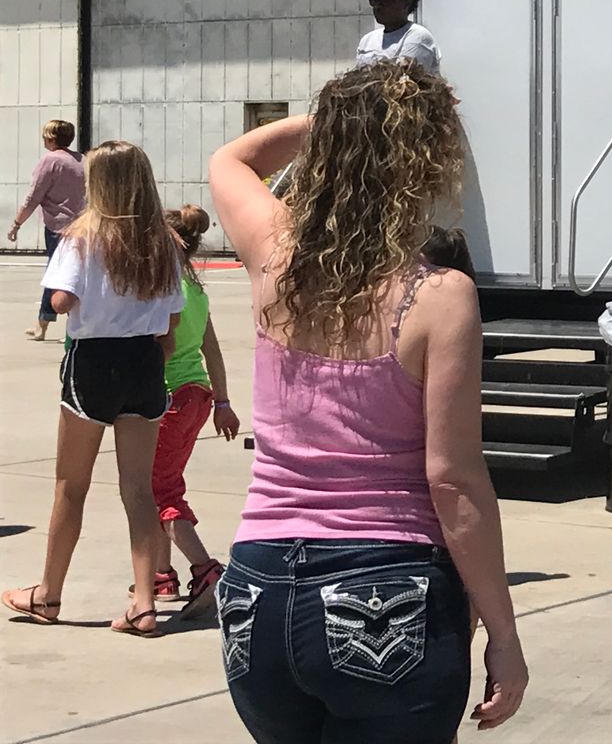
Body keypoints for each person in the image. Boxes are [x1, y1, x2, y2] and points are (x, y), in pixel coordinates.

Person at [208, 61, 526, 740]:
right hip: (386, 587)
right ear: (422, 164)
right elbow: (454, 480)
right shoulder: (439, 297)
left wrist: (340, 122)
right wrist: (502, 629)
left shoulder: (273, 255)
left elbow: (234, 157)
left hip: (256, 587)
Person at [4, 140, 184, 637]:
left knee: (71, 486)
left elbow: (60, 300)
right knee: (139, 489)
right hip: (145, 361)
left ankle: (49, 593)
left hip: (94, 362)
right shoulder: (161, 241)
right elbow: (171, 315)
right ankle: (145, 602)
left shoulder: (82, 236)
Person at [149, 204, 243, 619]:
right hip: (198, 397)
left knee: (157, 492)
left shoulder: (161, 290)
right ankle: (160, 572)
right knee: (164, 483)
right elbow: (212, 350)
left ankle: (205, 570)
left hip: (167, 397)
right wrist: (222, 402)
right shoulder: (195, 289)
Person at [10, 118, 85, 341]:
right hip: (81, 226)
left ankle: (43, 325)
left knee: (56, 276)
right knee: (77, 274)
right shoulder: (81, 160)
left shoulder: (50, 161)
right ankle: (56, 323)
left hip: (58, 228)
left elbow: (33, 197)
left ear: (51, 138)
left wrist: (17, 224)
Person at [356, 0, 442, 73]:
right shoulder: (367, 40)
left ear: (407, 4)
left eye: (387, 0)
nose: (378, 6)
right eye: (375, 0)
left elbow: (400, 81)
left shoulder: (417, 36)